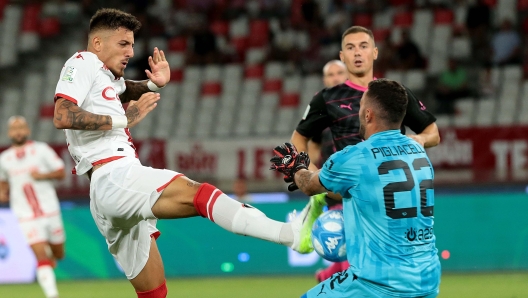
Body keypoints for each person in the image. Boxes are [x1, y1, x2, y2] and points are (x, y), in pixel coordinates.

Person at [52, 8, 320, 298]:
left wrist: (153, 84)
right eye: (123, 44)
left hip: (106, 193)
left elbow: (121, 89)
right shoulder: (83, 62)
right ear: (97, 44)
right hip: (114, 175)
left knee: (154, 292)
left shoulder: (105, 76)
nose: (131, 51)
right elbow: (62, 115)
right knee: (198, 194)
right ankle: (290, 234)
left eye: (132, 44)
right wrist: (123, 120)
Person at [270, 79, 441, 298]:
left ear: (368, 114)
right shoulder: (419, 153)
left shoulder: (355, 157)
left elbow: (310, 185)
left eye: (360, 107)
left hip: (377, 283)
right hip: (427, 280)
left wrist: (294, 166)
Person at [291, 25, 439, 174]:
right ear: (342, 57)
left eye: (363, 46)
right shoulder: (327, 98)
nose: (357, 53)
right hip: (351, 193)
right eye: (350, 48)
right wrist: (311, 175)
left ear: (375, 53)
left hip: (393, 187)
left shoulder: (396, 92)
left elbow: (433, 133)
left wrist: (421, 139)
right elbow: (299, 138)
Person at [0, 116, 66, 298]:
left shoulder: (41, 150)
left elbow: (61, 172)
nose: (18, 132)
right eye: (14, 129)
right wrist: (2, 192)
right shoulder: (4, 159)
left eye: (21, 127)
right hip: (26, 215)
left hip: (50, 210)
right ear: (9, 133)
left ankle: (52, 259)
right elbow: (3, 182)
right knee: (40, 256)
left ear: (28, 130)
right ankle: (52, 295)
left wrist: (43, 176)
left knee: (58, 254)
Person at [306, 60, 350, 282]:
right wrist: (314, 174)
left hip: (355, 180)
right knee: (348, 234)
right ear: (325, 80)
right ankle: (333, 277)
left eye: (339, 73)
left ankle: (327, 276)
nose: (335, 77)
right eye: (330, 74)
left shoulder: (359, 104)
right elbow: (311, 143)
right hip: (333, 183)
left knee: (349, 236)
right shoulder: (320, 109)